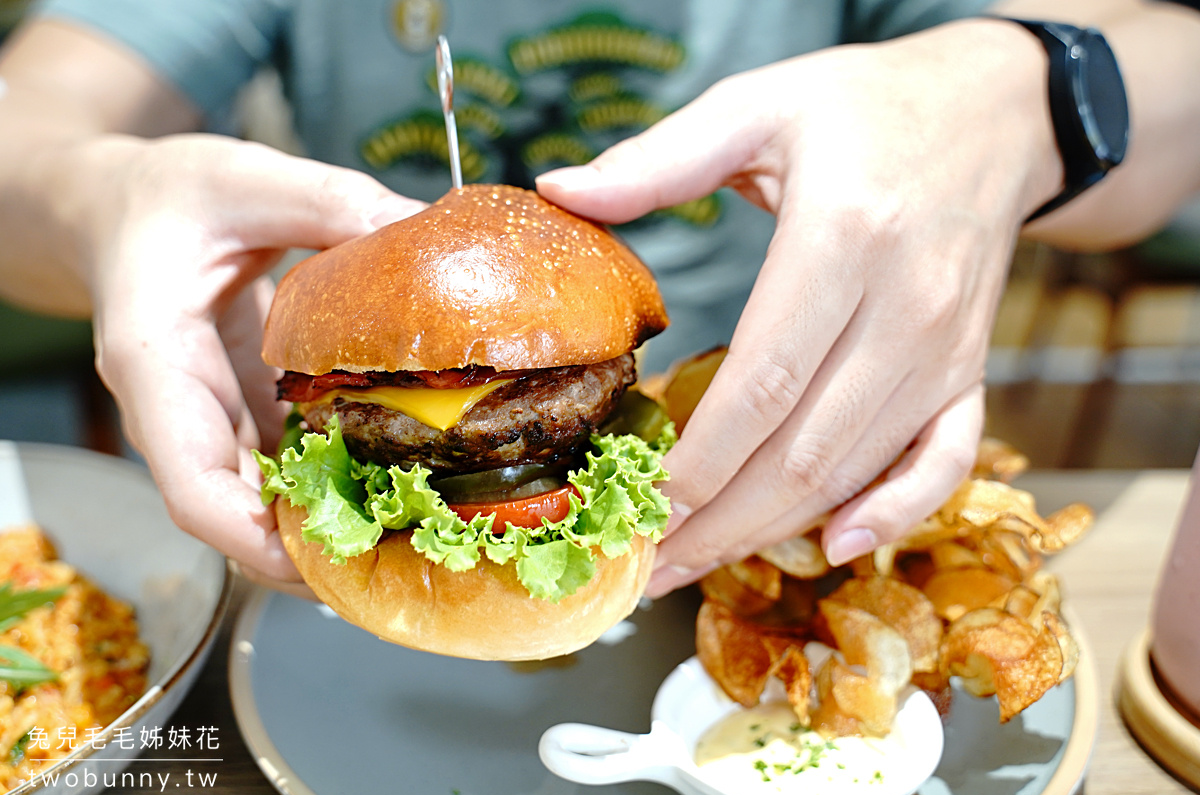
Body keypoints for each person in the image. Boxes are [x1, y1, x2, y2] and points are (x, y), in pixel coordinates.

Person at [0, 0, 1197, 600]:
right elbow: (25, 123)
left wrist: (1023, 88)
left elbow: (1174, 77)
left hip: (806, 465)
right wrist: (102, 196)